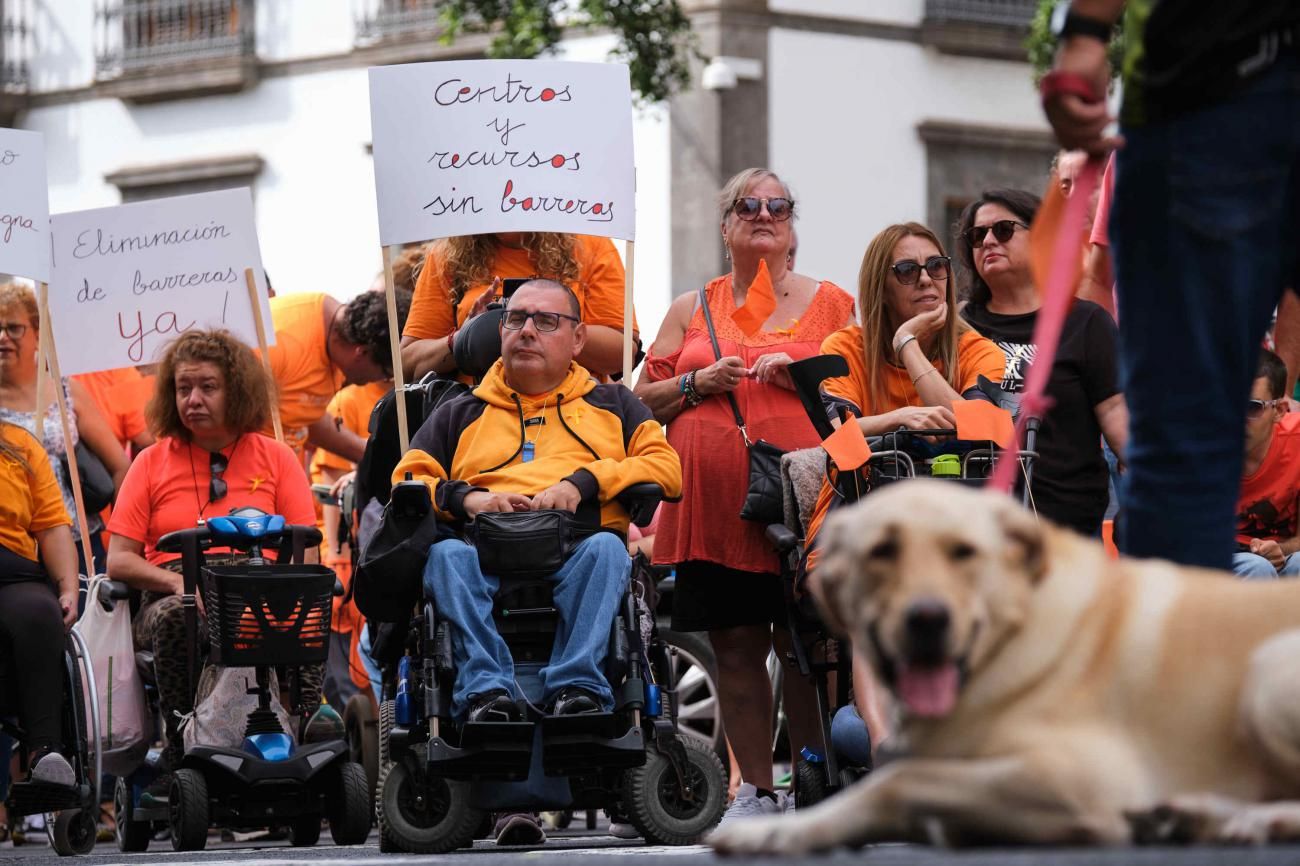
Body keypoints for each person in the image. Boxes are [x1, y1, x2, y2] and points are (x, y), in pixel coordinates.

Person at [393, 279, 681, 846]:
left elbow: (667, 468)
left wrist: (584, 482)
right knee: (445, 554)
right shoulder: (461, 408)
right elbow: (406, 479)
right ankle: (486, 690)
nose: (526, 329)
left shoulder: (613, 402)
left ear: (578, 339)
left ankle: (578, 686)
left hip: (577, 549)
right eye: (515, 319)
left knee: (606, 548)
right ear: (499, 332)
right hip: (484, 554)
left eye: (546, 321)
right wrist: (468, 498)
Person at [1042, 0, 1300, 569]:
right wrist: (1085, 29)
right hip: (1217, 89)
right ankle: (1179, 650)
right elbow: (1100, 276)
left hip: (1220, 102)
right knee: (1185, 456)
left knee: (1184, 456)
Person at [633, 168, 855, 821]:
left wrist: (802, 373)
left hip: (809, 495)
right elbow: (641, 403)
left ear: (792, 227)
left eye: (778, 206)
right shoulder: (688, 308)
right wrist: (699, 381)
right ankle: (755, 787)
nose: (764, 213)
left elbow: (865, 389)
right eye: (747, 206)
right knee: (735, 644)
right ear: (725, 226)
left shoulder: (836, 304)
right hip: (715, 503)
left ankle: (816, 778)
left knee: (809, 643)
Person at [106, 329, 318, 805]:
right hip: (172, 591)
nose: (193, 400)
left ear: (237, 390)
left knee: (309, 610)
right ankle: (181, 752)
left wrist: (282, 592)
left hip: (260, 586)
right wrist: (180, 582)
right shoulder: (150, 463)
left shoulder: (278, 457)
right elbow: (118, 559)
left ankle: (300, 726)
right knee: (181, 616)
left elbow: (308, 551)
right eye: (183, 389)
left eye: (207, 387)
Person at [957, 188, 1128, 537]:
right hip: (978, 528)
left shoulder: (1085, 322)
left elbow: (1115, 414)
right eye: (977, 235)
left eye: (1003, 230)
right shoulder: (958, 325)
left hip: (1068, 528)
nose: (988, 240)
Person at [0, 283, 130, 572]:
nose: (3, 337)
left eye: (14, 328)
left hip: (81, 544)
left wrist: (121, 539)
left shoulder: (65, 390)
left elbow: (121, 466)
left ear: (37, 333)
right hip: (13, 551)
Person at [400, 232, 632, 381]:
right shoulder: (446, 256)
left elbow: (623, 355)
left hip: (575, 420)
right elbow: (407, 365)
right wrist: (465, 339)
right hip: (475, 421)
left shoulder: (589, 244)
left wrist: (550, 325)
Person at [0, 420, 81, 793]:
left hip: (13, 576)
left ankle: (45, 752)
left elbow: (51, 526)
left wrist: (67, 588)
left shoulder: (19, 444)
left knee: (41, 612)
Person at [267, 289, 410, 463]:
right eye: (387, 374)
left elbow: (303, 412)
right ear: (362, 352)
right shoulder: (278, 344)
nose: (384, 381)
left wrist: (376, 455)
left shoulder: (339, 343)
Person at [1232, 350, 1300, 579]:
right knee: (1256, 568)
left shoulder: (1297, 442)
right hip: (1218, 560)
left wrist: (1280, 550)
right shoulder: (1197, 444)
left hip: (1284, 556)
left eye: (1252, 407)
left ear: (1279, 411)